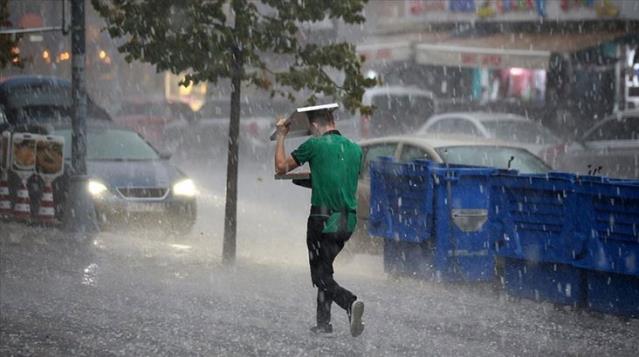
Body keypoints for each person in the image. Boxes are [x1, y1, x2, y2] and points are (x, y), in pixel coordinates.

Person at [274, 108, 365, 337]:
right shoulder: (355, 149)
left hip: (322, 220)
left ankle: (349, 302)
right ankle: (323, 323)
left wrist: (282, 135)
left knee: (320, 276)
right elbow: (340, 181)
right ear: (333, 121)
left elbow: (281, 167)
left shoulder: (314, 145)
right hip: (347, 221)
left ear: (315, 126)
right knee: (325, 269)